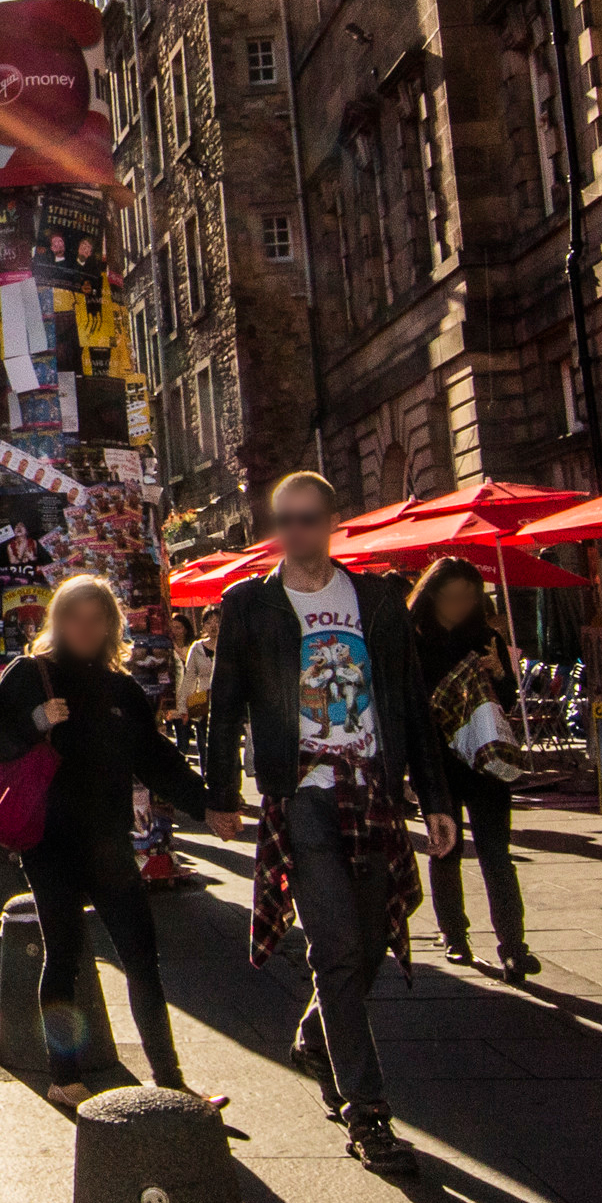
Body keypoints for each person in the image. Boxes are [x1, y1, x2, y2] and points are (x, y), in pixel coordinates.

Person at [204, 471, 450, 1167]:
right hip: (302, 792)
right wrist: (221, 791)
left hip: (372, 786)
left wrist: (434, 799)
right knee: (336, 947)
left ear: (333, 520)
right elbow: (227, 705)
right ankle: (367, 1111)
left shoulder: (376, 599)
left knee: (371, 939)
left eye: (310, 517)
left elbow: (409, 703)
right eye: (286, 519)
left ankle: (317, 1034)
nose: (299, 531)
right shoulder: (250, 603)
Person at [0, 572, 222, 1098]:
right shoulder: (30, 673)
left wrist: (210, 808)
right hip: (49, 842)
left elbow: (157, 760)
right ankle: (65, 1079)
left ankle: (171, 1081)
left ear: (111, 625)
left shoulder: (122, 689)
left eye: (95, 617)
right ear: (57, 621)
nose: (84, 627)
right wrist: (37, 720)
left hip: (109, 843)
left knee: (141, 956)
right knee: (62, 953)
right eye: (73, 616)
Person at [401, 557, 532, 976]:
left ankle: (513, 944)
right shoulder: (411, 639)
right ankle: (454, 935)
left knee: (497, 854)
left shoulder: (486, 637)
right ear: (431, 595)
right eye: (451, 596)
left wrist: (500, 675)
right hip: (437, 763)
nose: (459, 604)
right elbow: (404, 706)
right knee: (446, 849)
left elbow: (507, 704)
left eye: (468, 597)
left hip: (484, 758)